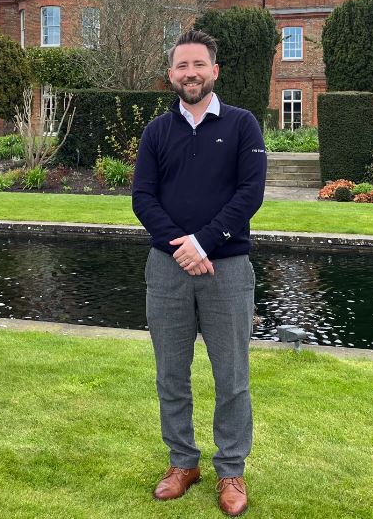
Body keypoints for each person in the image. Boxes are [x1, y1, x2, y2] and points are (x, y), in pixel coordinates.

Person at [131, 29, 267, 516]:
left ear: (215, 70)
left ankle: (231, 469)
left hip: (226, 268)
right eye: (181, 66)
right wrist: (180, 246)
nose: (190, 74)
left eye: (198, 65)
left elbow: (249, 195)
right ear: (171, 76)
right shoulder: (156, 132)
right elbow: (142, 199)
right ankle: (182, 462)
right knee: (171, 375)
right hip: (166, 271)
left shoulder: (243, 125)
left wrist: (203, 242)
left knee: (232, 375)